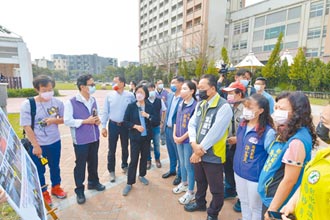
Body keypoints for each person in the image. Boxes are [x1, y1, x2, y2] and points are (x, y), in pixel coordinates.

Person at [257, 92, 316, 220]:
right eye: (276, 108)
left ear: (297, 112)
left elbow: (289, 180)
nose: (276, 112)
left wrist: (272, 209)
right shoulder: (288, 131)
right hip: (271, 197)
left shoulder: (297, 142)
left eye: (282, 109)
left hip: (279, 203)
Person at [185, 74, 233, 220]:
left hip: (213, 155)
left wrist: (198, 151)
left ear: (212, 89)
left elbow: (216, 132)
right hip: (198, 151)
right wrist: (193, 143)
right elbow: (192, 124)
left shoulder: (224, 107)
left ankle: (213, 213)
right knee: (200, 181)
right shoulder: (201, 104)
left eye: (201, 88)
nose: (199, 91)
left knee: (216, 189)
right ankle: (200, 202)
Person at [20, 75, 66, 206]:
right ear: (37, 89)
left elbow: (64, 118)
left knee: (55, 166)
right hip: (38, 144)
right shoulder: (29, 104)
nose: (48, 93)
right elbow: (26, 126)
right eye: (44, 90)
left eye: (50, 89)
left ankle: (56, 187)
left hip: (55, 141)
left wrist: (54, 120)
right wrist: (36, 146)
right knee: (39, 169)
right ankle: (44, 192)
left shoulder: (57, 103)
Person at [281, 104, 330, 220]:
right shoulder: (323, 154)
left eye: (324, 120)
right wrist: (292, 203)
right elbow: (308, 182)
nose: (320, 125)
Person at [64, 74, 106, 205]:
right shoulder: (71, 102)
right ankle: (79, 190)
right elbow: (67, 121)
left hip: (94, 137)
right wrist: (84, 121)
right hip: (81, 140)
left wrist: (98, 121)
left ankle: (93, 182)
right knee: (80, 165)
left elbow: (96, 115)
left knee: (94, 161)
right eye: (91, 85)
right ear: (82, 87)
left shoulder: (93, 100)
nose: (94, 87)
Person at [233, 94, 276, 220]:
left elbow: (272, 157)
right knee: (244, 202)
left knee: (255, 207)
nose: (246, 110)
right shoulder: (242, 124)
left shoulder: (268, 132)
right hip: (239, 171)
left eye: (250, 107)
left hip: (254, 176)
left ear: (261, 110)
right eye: (245, 106)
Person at [122, 85, 157, 196]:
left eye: (141, 92)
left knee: (144, 157)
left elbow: (156, 120)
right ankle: (129, 182)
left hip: (146, 138)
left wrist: (147, 115)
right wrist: (135, 126)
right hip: (135, 138)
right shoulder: (131, 106)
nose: (139, 94)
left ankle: (142, 175)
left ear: (145, 94)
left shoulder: (150, 106)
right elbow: (125, 122)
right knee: (134, 159)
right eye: (137, 92)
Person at [101, 76, 135, 182]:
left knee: (125, 147)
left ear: (122, 83)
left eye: (115, 82)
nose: (113, 84)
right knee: (112, 149)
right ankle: (111, 170)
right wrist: (103, 126)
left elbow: (134, 109)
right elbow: (105, 111)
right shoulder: (109, 96)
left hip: (125, 125)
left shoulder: (130, 95)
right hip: (113, 125)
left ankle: (125, 165)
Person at [221, 81, 246, 212]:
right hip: (228, 145)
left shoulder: (247, 109)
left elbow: (254, 129)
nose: (228, 96)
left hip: (241, 147)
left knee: (240, 172)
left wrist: (238, 139)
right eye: (227, 93)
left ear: (240, 94)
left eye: (231, 93)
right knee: (228, 168)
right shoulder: (229, 107)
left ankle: (242, 199)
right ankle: (230, 189)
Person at [172, 80, 197, 205]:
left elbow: (194, 126)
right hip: (178, 139)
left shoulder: (195, 105)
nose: (182, 91)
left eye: (185, 89)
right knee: (181, 163)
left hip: (187, 140)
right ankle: (184, 183)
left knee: (189, 165)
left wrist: (181, 138)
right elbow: (176, 119)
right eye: (181, 89)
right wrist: (175, 134)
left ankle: (191, 192)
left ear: (192, 91)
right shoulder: (181, 103)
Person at [162, 76, 184, 186]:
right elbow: (167, 111)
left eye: (174, 83)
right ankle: (172, 170)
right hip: (168, 128)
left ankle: (179, 175)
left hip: (177, 131)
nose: (172, 85)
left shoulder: (184, 98)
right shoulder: (170, 95)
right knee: (171, 152)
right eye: (171, 82)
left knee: (179, 154)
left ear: (181, 84)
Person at [147, 83, 166, 169]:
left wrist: (162, 121)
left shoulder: (159, 100)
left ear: (154, 89)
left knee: (156, 144)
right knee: (146, 144)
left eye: (152, 89)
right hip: (147, 127)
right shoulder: (145, 100)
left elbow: (164, 110)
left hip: (156, 126)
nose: (150, 91)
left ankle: (157, 159)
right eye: (148, 89)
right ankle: (148, 160)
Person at [155, 79, 169, 145]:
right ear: (156, 84)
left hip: (164, 112)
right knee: (156, 126)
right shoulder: (154, 93)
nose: (161, 84)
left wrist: (165, 100)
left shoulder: (166, 92)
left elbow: (168, 102)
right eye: (159, 83)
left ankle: (163, 139)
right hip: (156, 112)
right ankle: (155, 138)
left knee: (163, 126)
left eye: (161, 83)